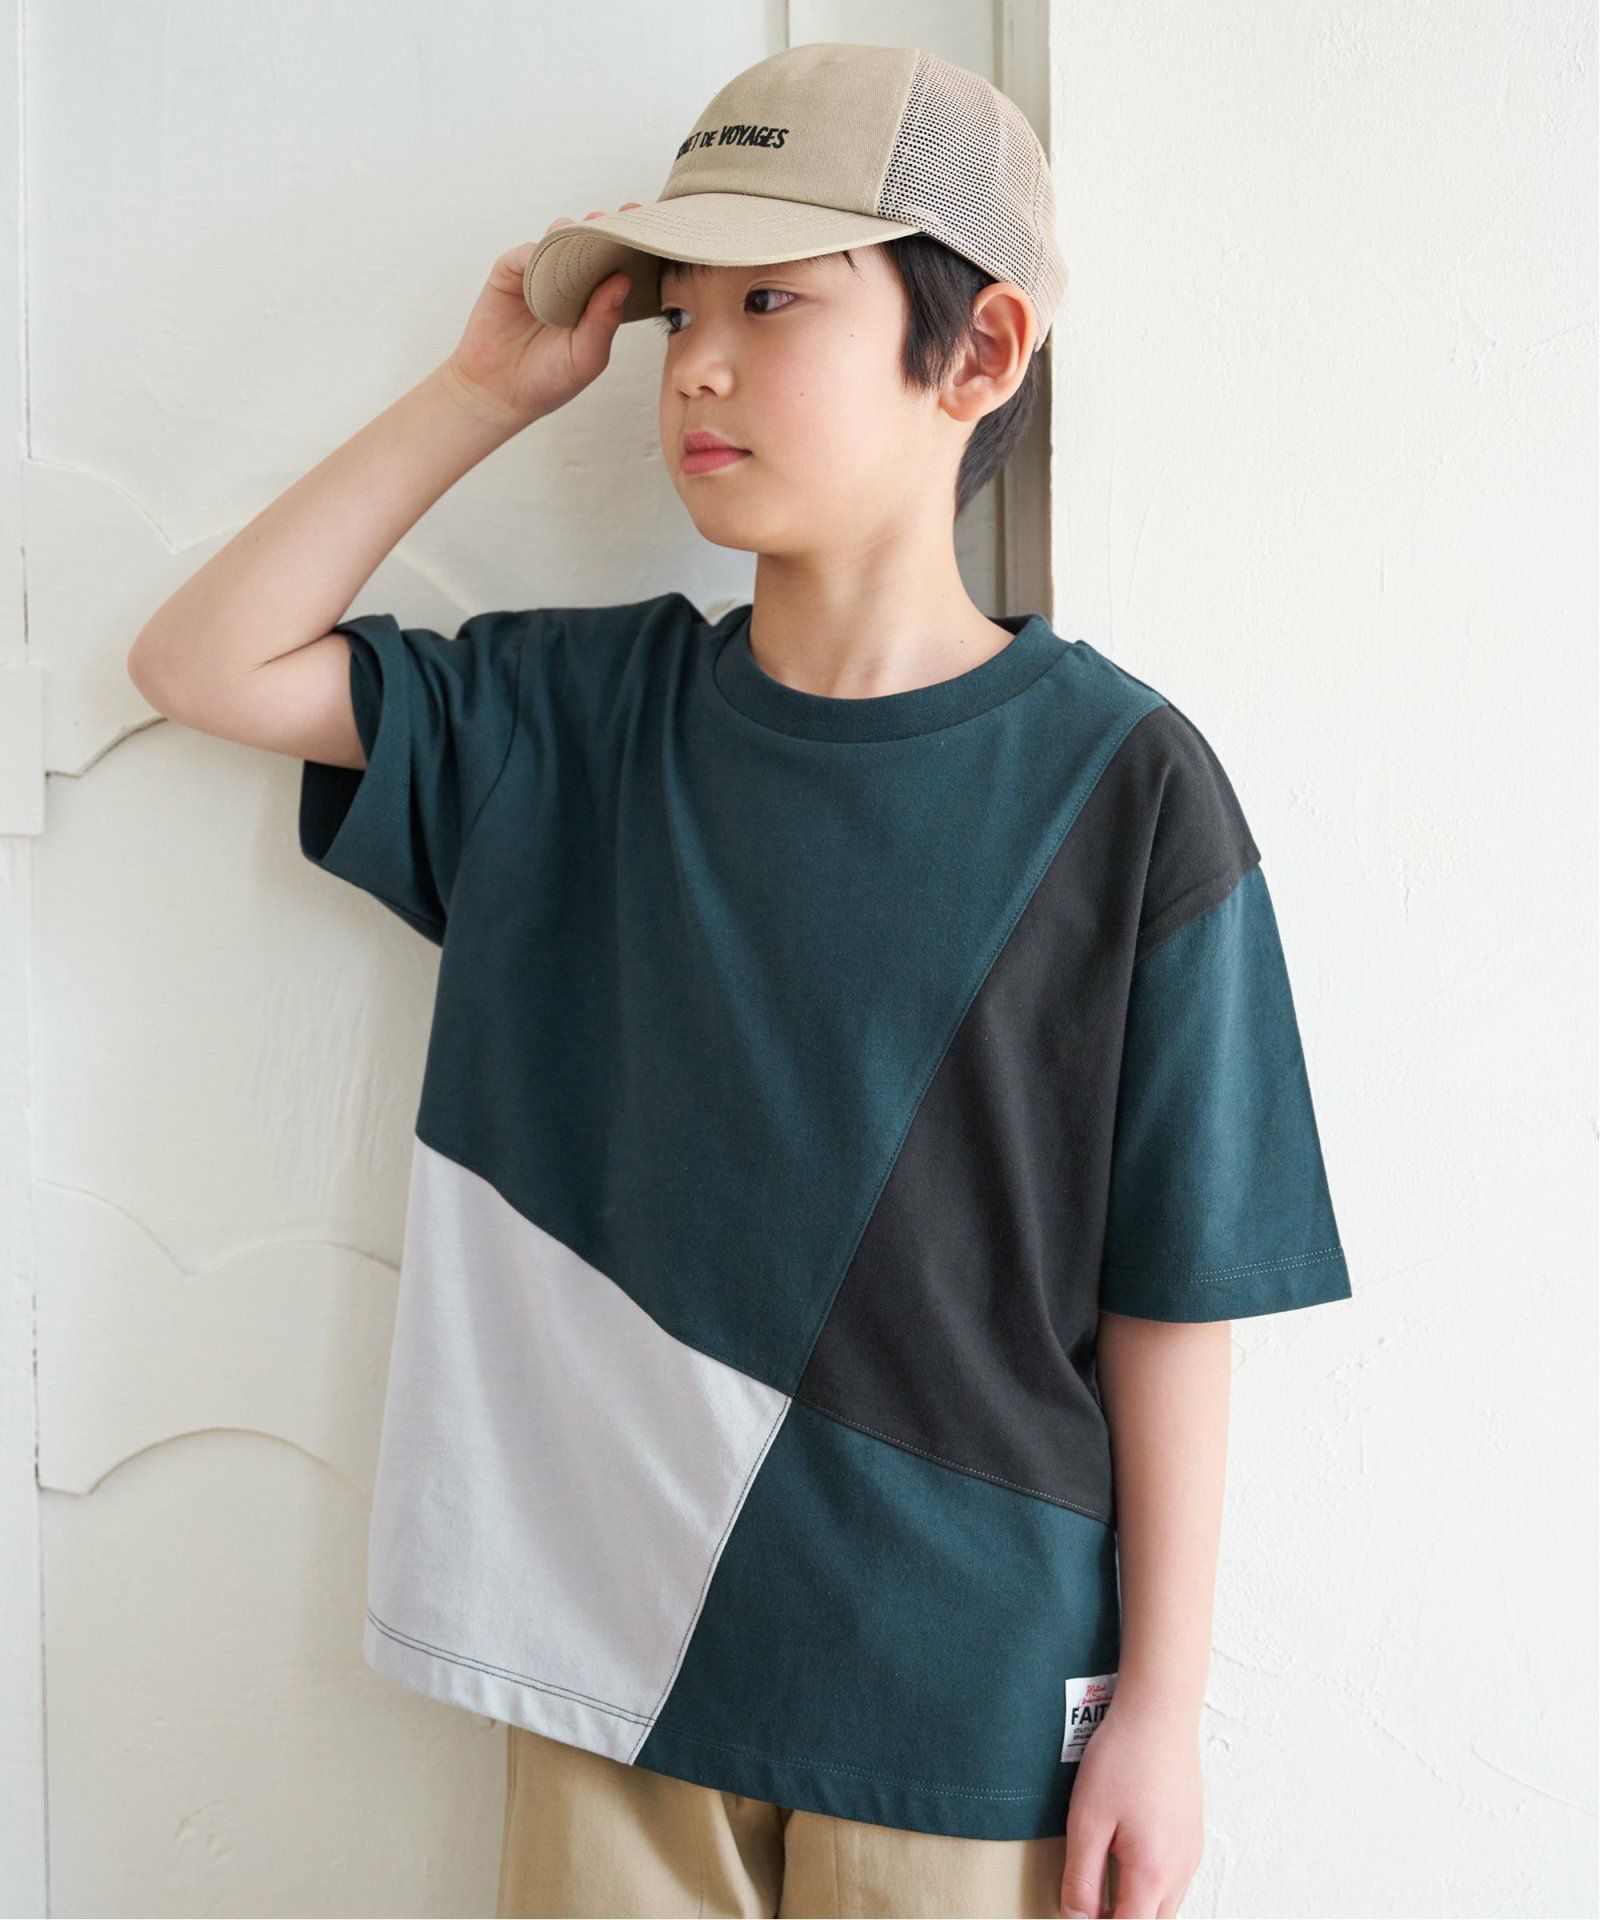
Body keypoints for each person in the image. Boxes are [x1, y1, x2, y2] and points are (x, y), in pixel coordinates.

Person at [126, 40, 1352, 1920]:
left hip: (967, 1705)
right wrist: (482, 394)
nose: (694, 363)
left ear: (979, 351)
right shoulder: (576, 722)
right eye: (678, 310)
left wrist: (1163, 1712)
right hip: (607, 1671)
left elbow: (1178, 1289)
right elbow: (205, 661)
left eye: (772, 301)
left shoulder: (1124, 788)